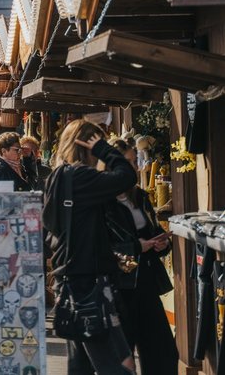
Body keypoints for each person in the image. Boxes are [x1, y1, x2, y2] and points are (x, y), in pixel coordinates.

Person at [43, 119, 137, 375]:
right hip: (88, 279)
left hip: (70, 275)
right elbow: (127, 176)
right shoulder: (82, 177)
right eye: (96, 142)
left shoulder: (57, 177)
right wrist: (104, 149)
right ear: (87, 145)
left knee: (81, 362)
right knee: (118, 363)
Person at [109, 140, 179, 374]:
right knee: (123, 356)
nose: (136, 167)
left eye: (134, 161)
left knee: (164, 352)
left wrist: (162, 242)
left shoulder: (138, 195)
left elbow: (151, 229)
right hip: (120, 286)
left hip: (146, 281)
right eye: (128, 162)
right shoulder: (102, 201)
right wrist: (136, 247)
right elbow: (100, 244)